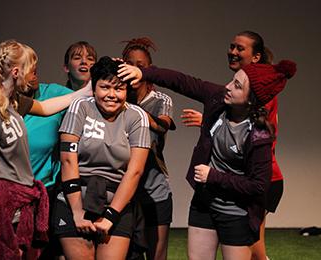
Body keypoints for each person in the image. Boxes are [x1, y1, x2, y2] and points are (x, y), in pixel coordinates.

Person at [118, 58, 296, 259]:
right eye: (232, 80)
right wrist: (143, 73)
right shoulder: (218, 99)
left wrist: (214, 176)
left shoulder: (258, 135)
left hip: (236, 212)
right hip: (204, 203)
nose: (228, 87)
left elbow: (258, 186)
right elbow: (182, 81)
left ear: (251, 99)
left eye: (237, 86)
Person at [0, 39, 91, 259]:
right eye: (32, 71)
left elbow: (46, 108)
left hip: (19, 197)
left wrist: (84, 92)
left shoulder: (11, 100)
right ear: (17, 72)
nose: (34, 76)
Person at [180, 31, 282, 260]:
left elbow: (257, 173)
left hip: (259, 180)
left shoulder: (260, 100)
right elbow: (184, 82)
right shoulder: (232, 98)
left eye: (240, 48)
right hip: (225, 187)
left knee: (257, 253)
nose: (233, 52)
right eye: (232, 46)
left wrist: (214, 175)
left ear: (256, 57)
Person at [53, 56, 151, 260]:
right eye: (105, 87)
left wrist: (110, 216)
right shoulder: (80, 106)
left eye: (119, 89)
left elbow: (135, 171)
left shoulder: (136, 116)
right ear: (94, 87)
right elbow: (68, 160)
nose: (112, 95)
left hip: (117, 203)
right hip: (75, 199)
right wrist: (77, 212)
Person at [22, 41, 97, 260]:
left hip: (51, 188)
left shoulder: (55, 93)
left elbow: (83, 99)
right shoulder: (4, 102)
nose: (84, 62)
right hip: (15, 188)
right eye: (77, 57)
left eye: (90, 58)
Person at [121, 37, 175, 260]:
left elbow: (162, 126)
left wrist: (134, 112)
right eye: (129, 64)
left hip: (155, 192)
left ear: (149, 71)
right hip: (122, 194)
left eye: (140, 66)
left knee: (156, 255)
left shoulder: (160, 100)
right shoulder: (113, 99)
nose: (134, 69)